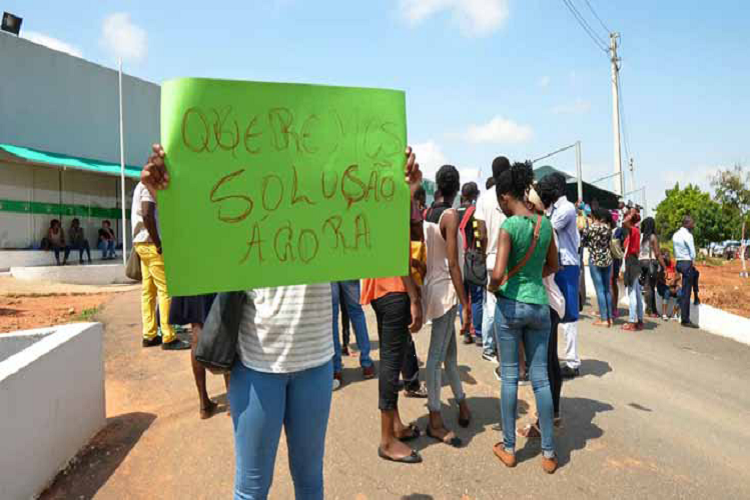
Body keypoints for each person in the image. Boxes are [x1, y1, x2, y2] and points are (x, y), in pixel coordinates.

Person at [142, 143, 423, 498]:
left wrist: (403, 192)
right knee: (252, 489)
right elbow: (193, 244)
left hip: (316, 365)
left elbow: (376, 239)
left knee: (309, 483)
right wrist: (166, 196)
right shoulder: (241, 201)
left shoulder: (332, 200)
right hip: (257, 365)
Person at [488, 161, 559, 474]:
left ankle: (508, 447)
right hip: (539, 307)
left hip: (511, 307)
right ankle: (548, 453)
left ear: (505, 197)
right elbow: (553, 265)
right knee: (541, 379)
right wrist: (531, 278)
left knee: (510, 376)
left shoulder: (509, 227)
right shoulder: (545, 225)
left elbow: (499, 272)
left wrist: (495, 286)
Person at [422, 164, 472, 447]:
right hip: (447, 293)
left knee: (450, 356)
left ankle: (462, 403)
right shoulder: (450, 216)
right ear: (457, 188)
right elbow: (453, 262)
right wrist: (465, 303)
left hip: (433, 287)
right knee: (435, 357)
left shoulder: (428, 212)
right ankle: (435, 417)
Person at [518, 185, 565, 439]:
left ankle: (543, 422)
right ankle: (553, 413)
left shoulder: (540, 228)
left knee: (543, 368)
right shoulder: (546, 226)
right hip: (551, 301)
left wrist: (530, 276)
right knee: (549, 363)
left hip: (544, 301)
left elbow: (551, 266)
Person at [361, 272, 424, 463]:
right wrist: (414, 298)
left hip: (379, 288)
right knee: (391, 363)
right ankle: (387, 440)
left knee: (390, 360)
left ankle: (395, 426)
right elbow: (399, 256)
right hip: (395, 288)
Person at [132, 181, 189, 351]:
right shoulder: (150, 183)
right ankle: (168, 336)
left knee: (148, 291)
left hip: (142, 243)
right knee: (166, 290)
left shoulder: (140, 184)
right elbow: (147, 214)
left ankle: (149, 335)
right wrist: (159, 244)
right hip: (151, 243)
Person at [537, 173, 581, 379]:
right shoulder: (556, 209)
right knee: (555, 309)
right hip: (559, 264)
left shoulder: (566, 209)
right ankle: (559, 358)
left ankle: (572, 361)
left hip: (567, 264)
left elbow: (548, 228)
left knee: (569, 313)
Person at [169, 293, 230, 418]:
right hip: (216, 277)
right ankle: (233, 402)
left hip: (192, 277)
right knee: (226, 330)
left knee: (197, 331)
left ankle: (204, 404)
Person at [476, 157, 510, 364]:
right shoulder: (511, 195)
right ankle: (504, 348)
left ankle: (489, 347)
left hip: (490, 257)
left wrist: (483, 253)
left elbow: (480, 232)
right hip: (509, 259)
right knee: (506, 305)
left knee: (491, 304)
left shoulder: (484, 198)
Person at [331, 279, 375, 390]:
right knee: (356, 312)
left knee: (332, 317)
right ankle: (366, 363)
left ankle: (336, 369)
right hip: (347, 266)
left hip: (328, 268)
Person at [457, 181, 484, 345]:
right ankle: (479, 333)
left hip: (458, 260)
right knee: (476, 298)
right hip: (473, 259)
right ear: (475, 195)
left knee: (462, 298)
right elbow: (480, 236)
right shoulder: (475, 212)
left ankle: (466, 331)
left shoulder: (453, 212)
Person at [581, 208, 614, 327]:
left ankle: (604, 319)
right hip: (607, 259)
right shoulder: (607, 228)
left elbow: (583, 243)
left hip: (595, 259)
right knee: (607, 289)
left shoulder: (589, 229)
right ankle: (610, 317)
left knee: (599, 290)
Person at [672, 215, 700, 328]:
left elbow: (674, 250)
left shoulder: (675, 234)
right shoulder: (688, 235)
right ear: (687, 223)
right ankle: (685, 319)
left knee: (684, 289)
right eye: (692, 223)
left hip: (678, 262)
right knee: (686, 292)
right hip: (686, 262)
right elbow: (692, 252)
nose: (693, 225)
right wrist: (693, 261)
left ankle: (682, 311)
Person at [638, 217, 666, 318]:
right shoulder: (653, 237)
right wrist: (664, 267)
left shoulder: (640, 236)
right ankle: (649, 310)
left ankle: (651, 310)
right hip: (650, 263)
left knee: (645, 287)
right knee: (650, 287)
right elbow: (658, 254)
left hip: (640, 263)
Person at [622, 209, 644, 331]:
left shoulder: (633, 230)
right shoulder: (637, 231)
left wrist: (630, 215)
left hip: (631, 262)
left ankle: (631, 321)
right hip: (634, 261)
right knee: (637, 294)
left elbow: (624, 223)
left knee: (632, 294)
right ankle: (639, 320)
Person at [657, 250, 681, 321]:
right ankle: (664, 314)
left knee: (681, 293)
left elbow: (678, 276)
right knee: (666, 291)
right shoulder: (660, 265)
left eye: (669, 256)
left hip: (672, 286)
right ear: (662, 257)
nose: (668, 257)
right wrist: (668, 285)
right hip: (662, 286)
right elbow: (659, 278)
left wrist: (675, 282)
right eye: (666, 256)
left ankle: (674, 314)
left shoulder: (672, 264)